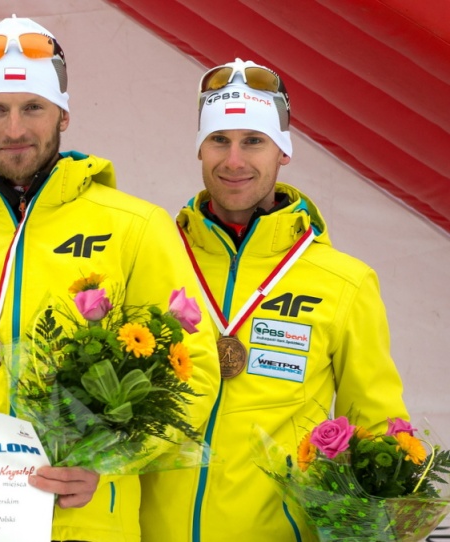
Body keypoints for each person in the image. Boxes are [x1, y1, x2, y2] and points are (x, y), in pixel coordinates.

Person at [0, 15, 220, 542]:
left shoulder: (135, 226)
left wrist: (109, 461)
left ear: (63, 112)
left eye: (32, 107)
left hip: (88, 523)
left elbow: (194, 367)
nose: (14, 129)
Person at [139, 58, 409, 541]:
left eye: (253, 141)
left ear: (283, 150)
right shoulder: (152, 257)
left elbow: (380, 432)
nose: (234, 160)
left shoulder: (344, 281)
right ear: (200, 148)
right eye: (219, 139)